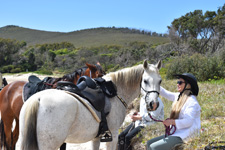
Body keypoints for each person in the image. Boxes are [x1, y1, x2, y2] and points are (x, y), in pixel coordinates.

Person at [146, 73, 201, 150]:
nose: (177, 84)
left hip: (186, 135)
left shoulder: (192, 102)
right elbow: (165, 93)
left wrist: (172, 122)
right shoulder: (179, 96)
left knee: (153, 147)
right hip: (177, 133)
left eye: (180, 82)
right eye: (177, 82)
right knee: (149, 143)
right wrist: (154, 82)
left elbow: (188, 121)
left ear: (188, 85)